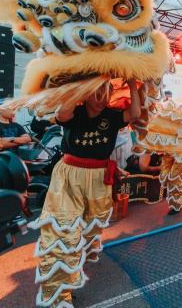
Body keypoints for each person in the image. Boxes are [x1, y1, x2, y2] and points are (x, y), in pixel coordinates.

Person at [28, 80, 141, 308]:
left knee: (89, 234)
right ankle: (57, 296)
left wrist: (131, 83)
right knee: (64, 234)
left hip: (99, 178)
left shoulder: (112, 115)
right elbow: (63, 112)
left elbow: (135, 113)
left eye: (106, 90)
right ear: (85, 93)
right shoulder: (73, 112)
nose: (102, 96)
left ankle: (69, 279)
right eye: (96, 90)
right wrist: (80, 81)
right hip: (69, 177)